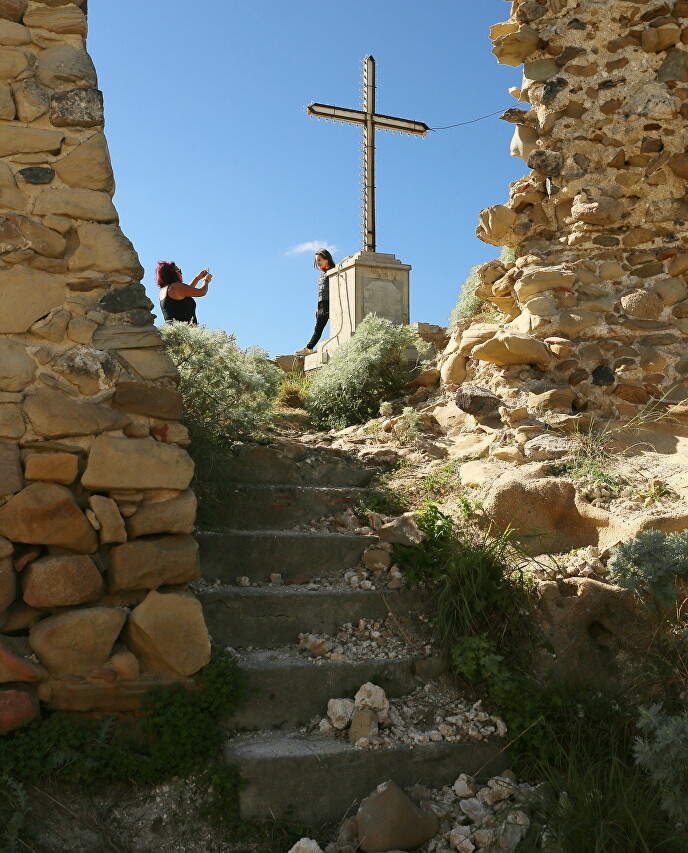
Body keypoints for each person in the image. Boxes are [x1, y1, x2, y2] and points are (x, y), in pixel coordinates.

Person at [295, 249, 335, 355]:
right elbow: (321, 292)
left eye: (320, 260)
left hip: (330, 302)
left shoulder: (333, 271)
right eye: (316, 260)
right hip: (322, 303)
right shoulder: (321, 275)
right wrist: (318, 307)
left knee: (319, 327)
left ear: (327, 259)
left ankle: (309, 347)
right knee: (319, 326)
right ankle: (310, 347)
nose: (318, 262)